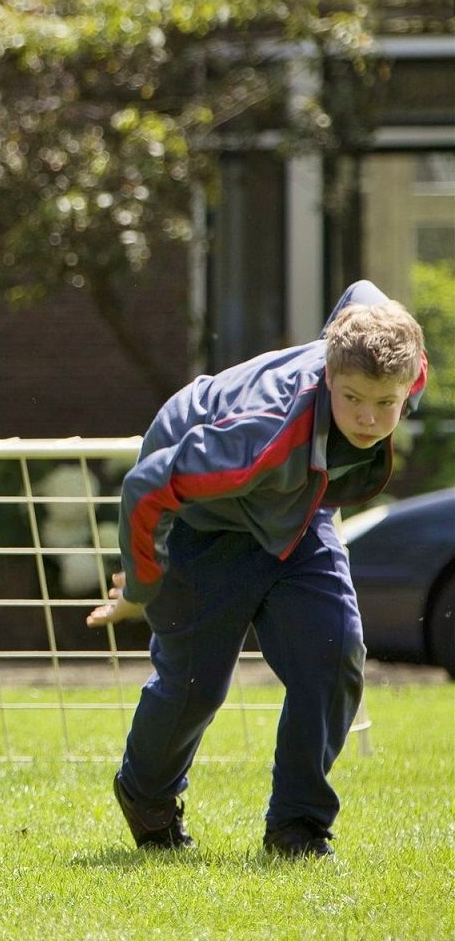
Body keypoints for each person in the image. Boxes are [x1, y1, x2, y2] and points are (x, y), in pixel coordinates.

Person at [87, 281, 427, 858]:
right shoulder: (261, 433)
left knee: (334, 651)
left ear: (409, 380)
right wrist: (141, 589)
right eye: (352, 400)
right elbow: (146, 486)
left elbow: (362, 292)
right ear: (326, 375)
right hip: (204, 519)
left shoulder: (399, 365)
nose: (369, 418)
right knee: (195, 686)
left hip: (297, 509)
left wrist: (383, 324)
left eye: (385, 404)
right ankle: (146, 796)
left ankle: (298, 827)